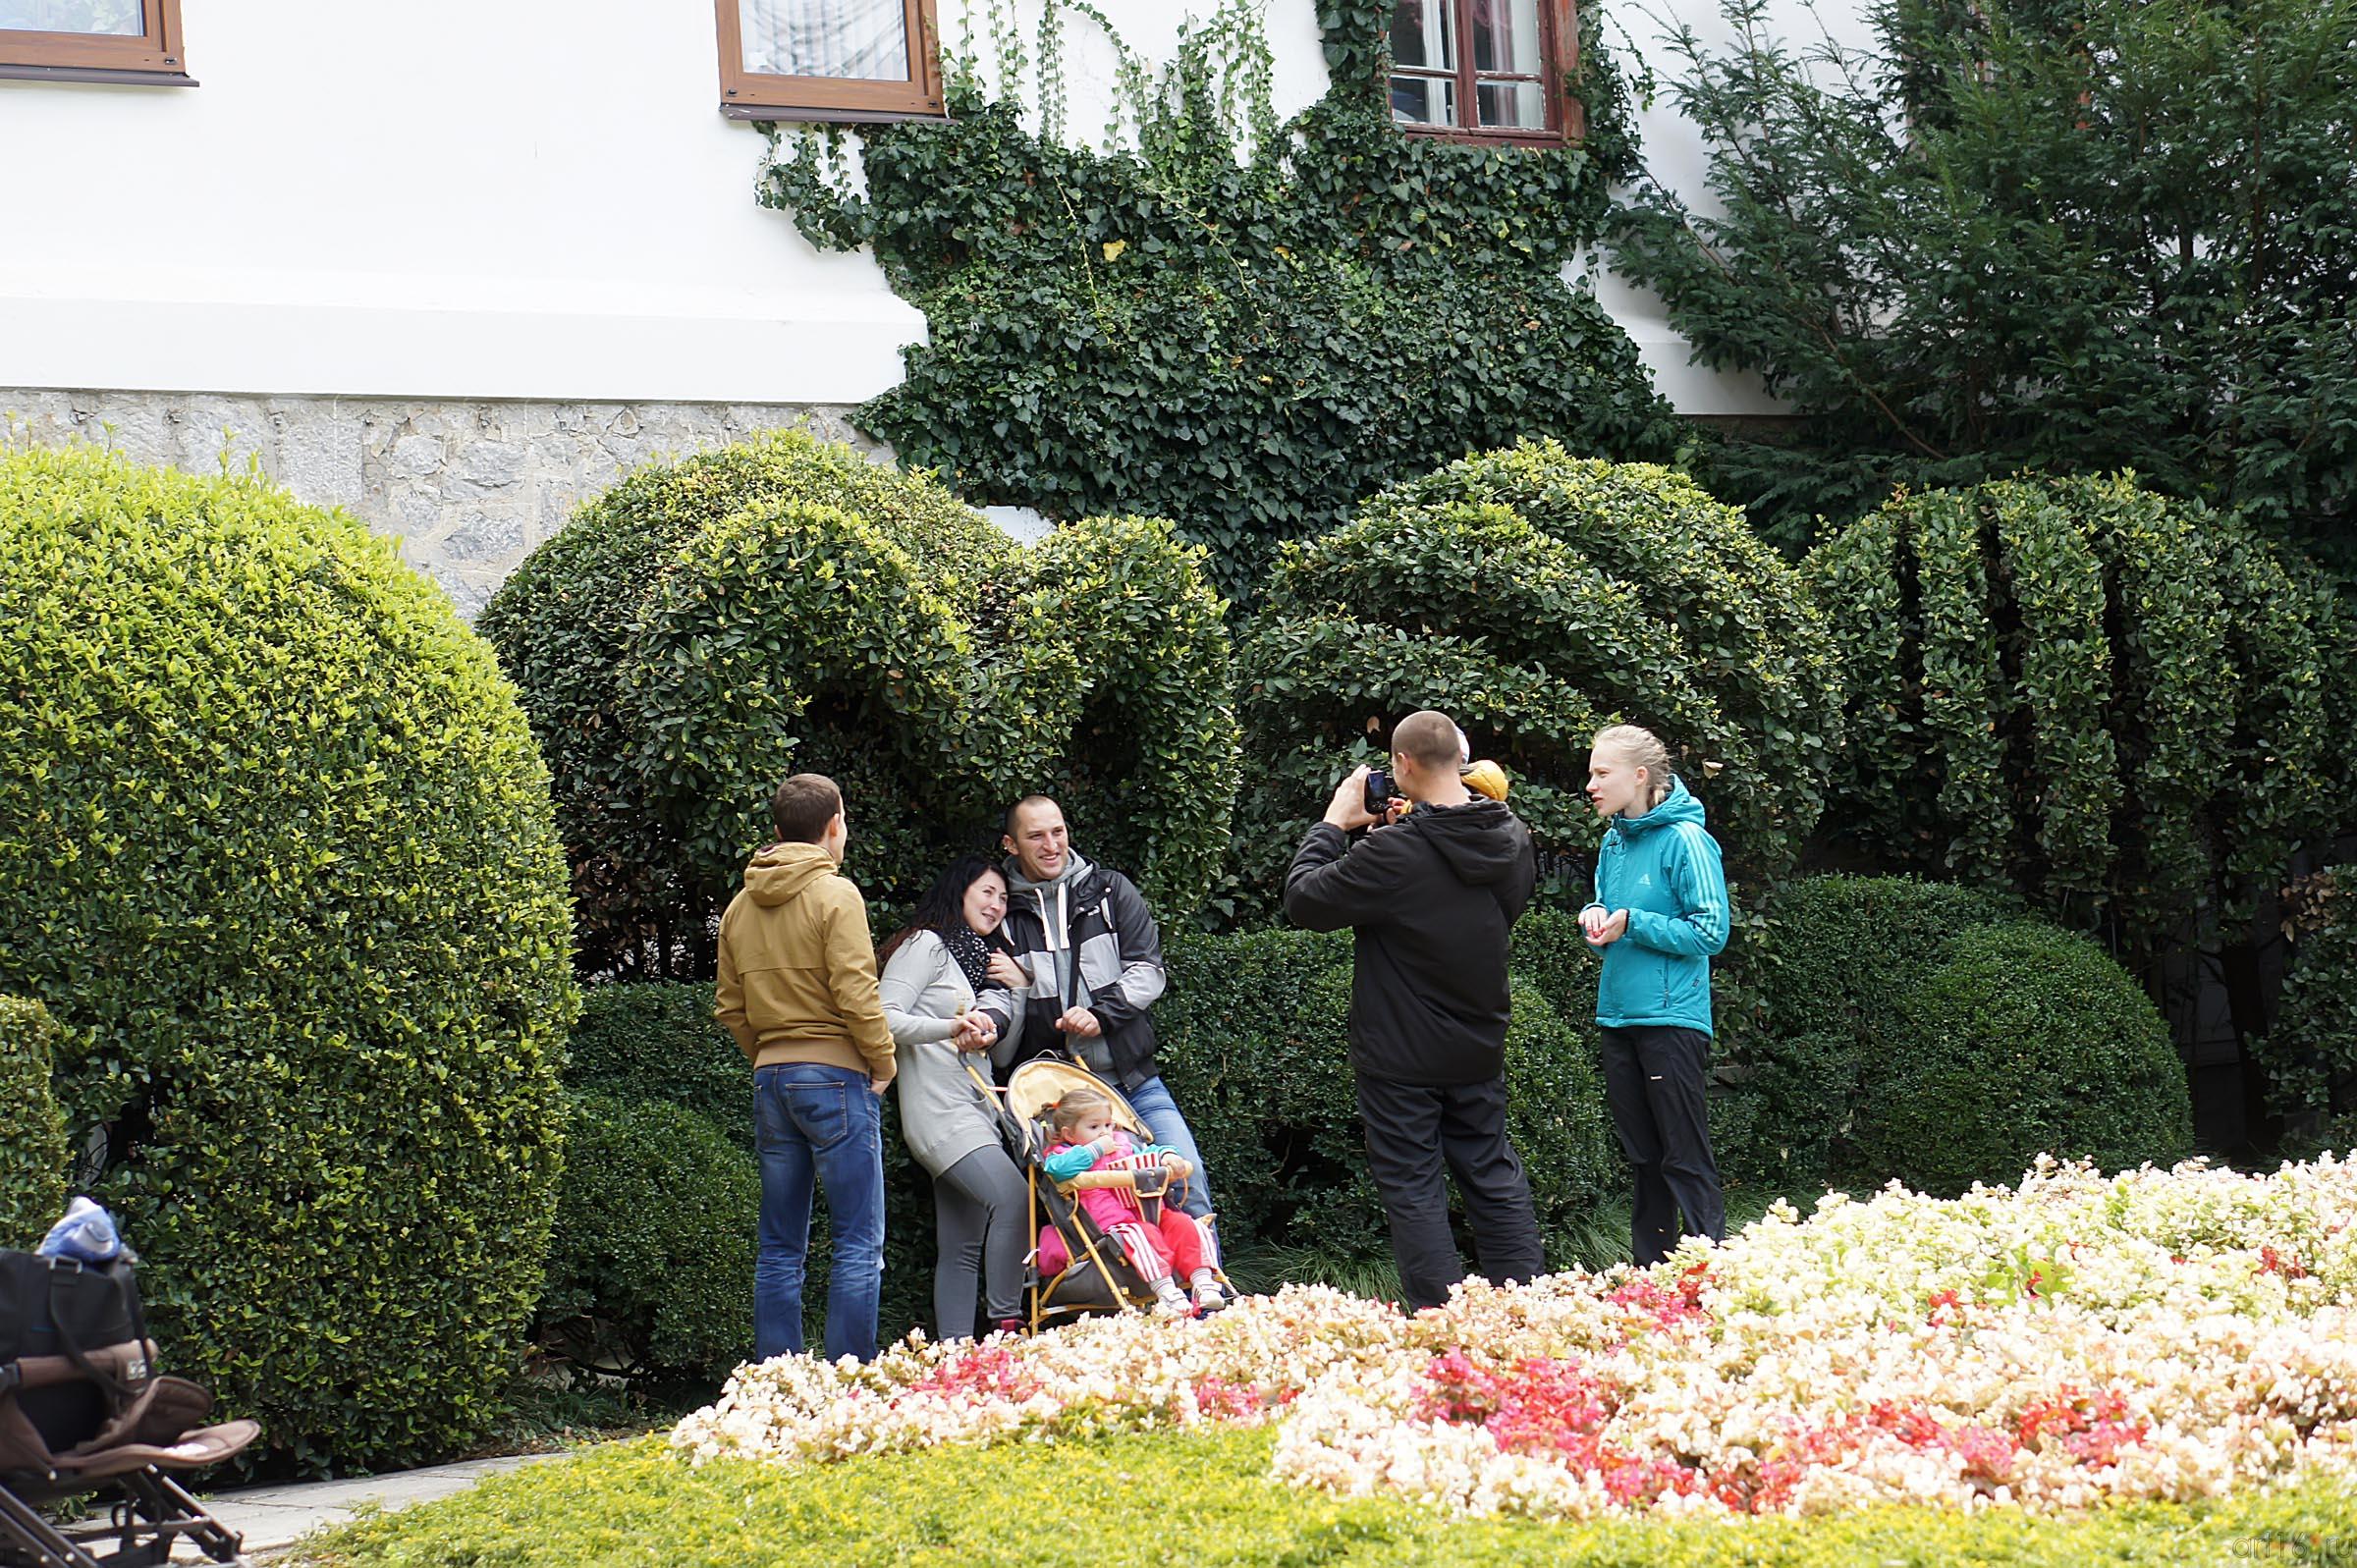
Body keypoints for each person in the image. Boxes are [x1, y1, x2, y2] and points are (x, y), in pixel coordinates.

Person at [1282, 709, 1548, 1313]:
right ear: (1462, 757)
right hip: (1478, 1038)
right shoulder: (1510, 836)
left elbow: (1304, 900)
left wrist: (1333, 823)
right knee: (1492, 1173)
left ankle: (1440, 1321)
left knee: (1413, 1187)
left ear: (1402, 765)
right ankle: (1530, 1311)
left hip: (1400, 1051)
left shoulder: (1395, 854)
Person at [714, 773, 895, 1364]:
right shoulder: (836, 895)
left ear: (776, 829)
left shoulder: (740, 906)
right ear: (834, 824)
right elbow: (856, 992)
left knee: (780, 1245)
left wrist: (769, 1056)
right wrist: (882, 1060)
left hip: (772, 1078)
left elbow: (731, 1007)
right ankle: (849, 1381)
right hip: (837, 1076)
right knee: (857, 1242)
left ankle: (774, 1383)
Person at [973, 796, 1217, 1224]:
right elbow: (997, 997)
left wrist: (1099, 1015)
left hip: (1134, 1079)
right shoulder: (1001, 911)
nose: (1052, 845)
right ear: (1011, 844)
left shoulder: (1109, 890)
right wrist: (998, 1012)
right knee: (1088, 1217)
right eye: (1036, 836)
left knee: (1183, 1180)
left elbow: (1148, 971)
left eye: (1058, 831)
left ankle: (1210, 1288)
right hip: (1061, 1102)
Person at [1579, 723, 1729, 1266]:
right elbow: (1609, 923)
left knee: (1682, 1156)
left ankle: (1709, 1276)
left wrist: (1634, 922)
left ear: (1639, 776)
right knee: (1644, 1158)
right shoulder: (1613, 842)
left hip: (1672, 1021)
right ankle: (1653, 1282)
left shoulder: (1687, 840)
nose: (1591, 785)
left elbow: (1711, 932)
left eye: (1601, 773)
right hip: (1618, 1017)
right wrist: (1596, 921)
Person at [878, 855, 1032, 1340]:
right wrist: (951, 1026)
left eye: (1004, 898)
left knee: (962, 1246)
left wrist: (1020, 990)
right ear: (958, 891)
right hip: (938, 1113)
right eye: (987, 892)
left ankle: (956, 1356)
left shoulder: (978, 967)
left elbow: (1004, 1049)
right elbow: (882, 1016)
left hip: (975, 1112)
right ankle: (1007, 1325)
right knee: (1013, 1200)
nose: (996, 905)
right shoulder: (926, 944)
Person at [1040, 1087, 1223, 1316]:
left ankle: (1202, 1281)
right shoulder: (1063, 1154)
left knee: (1187, 1224)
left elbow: (1150, 1151)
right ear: (1069, 1134)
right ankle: (1167, 1291)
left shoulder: (1123, 1145)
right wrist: (1096, 1149)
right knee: (1141, 1235)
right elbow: (1057, 1170)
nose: (1104, 1133)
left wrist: (1168, 1155)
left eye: (1108, 1125)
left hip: (1149, 1210)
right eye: (1094, 1127)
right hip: (1114, 1225)